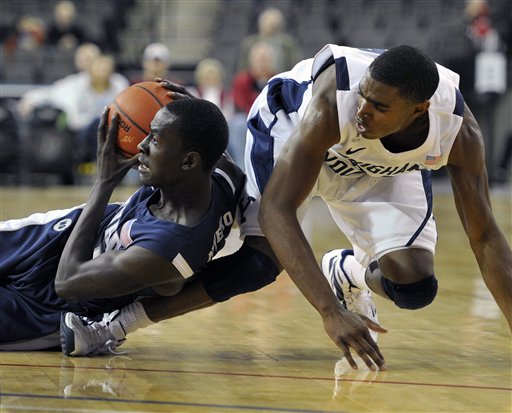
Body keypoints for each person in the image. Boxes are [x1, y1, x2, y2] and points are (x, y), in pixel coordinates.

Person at [61, 44, 511, 373]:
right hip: (292, 135)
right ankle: (116, 326)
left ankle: (349, 271)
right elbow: (277, 210)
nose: (364, 111)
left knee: (415, 287)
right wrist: (329, 313)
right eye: (366, 96)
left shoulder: (458, 133)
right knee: (260, 261)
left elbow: (486, 238)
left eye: (379, 106)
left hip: (379, 168)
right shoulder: (338, 102)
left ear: (420, 110)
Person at [0, 97, 248, 351]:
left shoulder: (165, 248)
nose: (141, 146)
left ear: (189, 162)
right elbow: (207, 132)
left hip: (44, 307)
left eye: (154, 139)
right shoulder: (223, 176)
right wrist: (181, 101)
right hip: (46, 241)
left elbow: (67, 282)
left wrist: (104, 184)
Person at [229, 41, 278, 170]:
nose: (262, 63)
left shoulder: (278, 79)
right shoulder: (241, 80)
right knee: (237, 123)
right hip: (248, 120)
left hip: (272, 122)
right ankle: (242, 169)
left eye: (265, 59)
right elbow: (240, 104)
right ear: (251, 61)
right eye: (259, 59)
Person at [237, 7, 302, 74]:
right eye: (267, 20)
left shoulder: (288, 44)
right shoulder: (249, 43)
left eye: (274, 22)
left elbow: (296, 65)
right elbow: (243, 68)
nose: (271, 24)